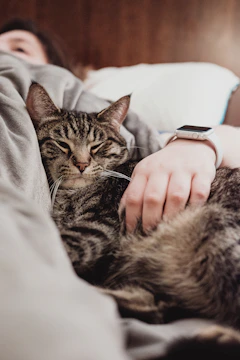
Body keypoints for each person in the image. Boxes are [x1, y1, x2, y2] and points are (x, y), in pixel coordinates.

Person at [0, 18, 240, 360]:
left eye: (19, 47)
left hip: (202, 223)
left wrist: (198, 143)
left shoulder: (122, 144)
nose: (82, 163)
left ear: (53, 64)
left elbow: (233, 139)